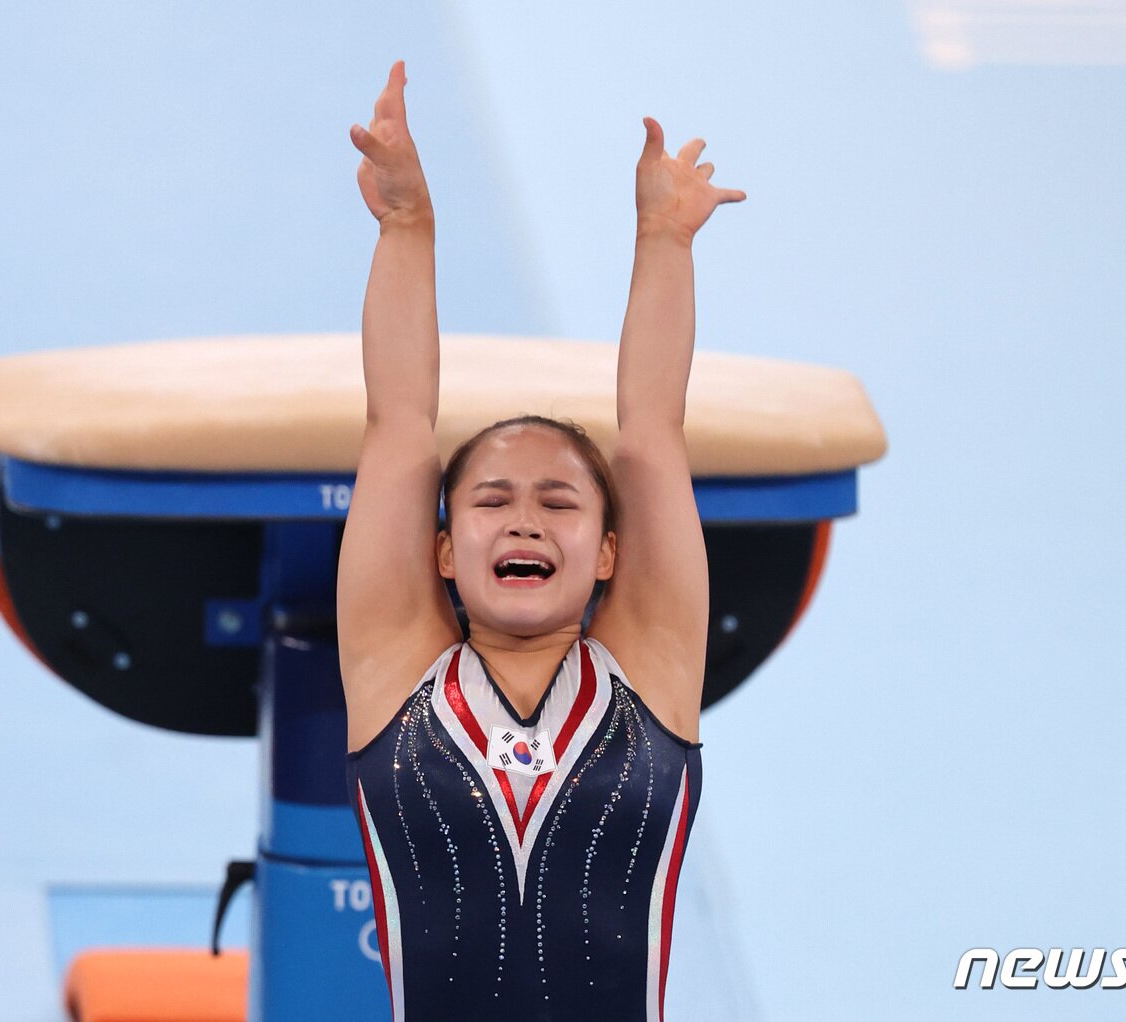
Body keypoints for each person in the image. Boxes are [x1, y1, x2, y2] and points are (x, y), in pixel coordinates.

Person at [338, 60, 745, 1021]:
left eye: (560, 502)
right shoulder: (398, 674)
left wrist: (664, 241)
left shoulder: (650, 671)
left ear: (610, 550)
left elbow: (651, 430)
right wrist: (406, 226)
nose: (524, 519)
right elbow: (398, 424)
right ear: (442, 550)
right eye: (492, 501)